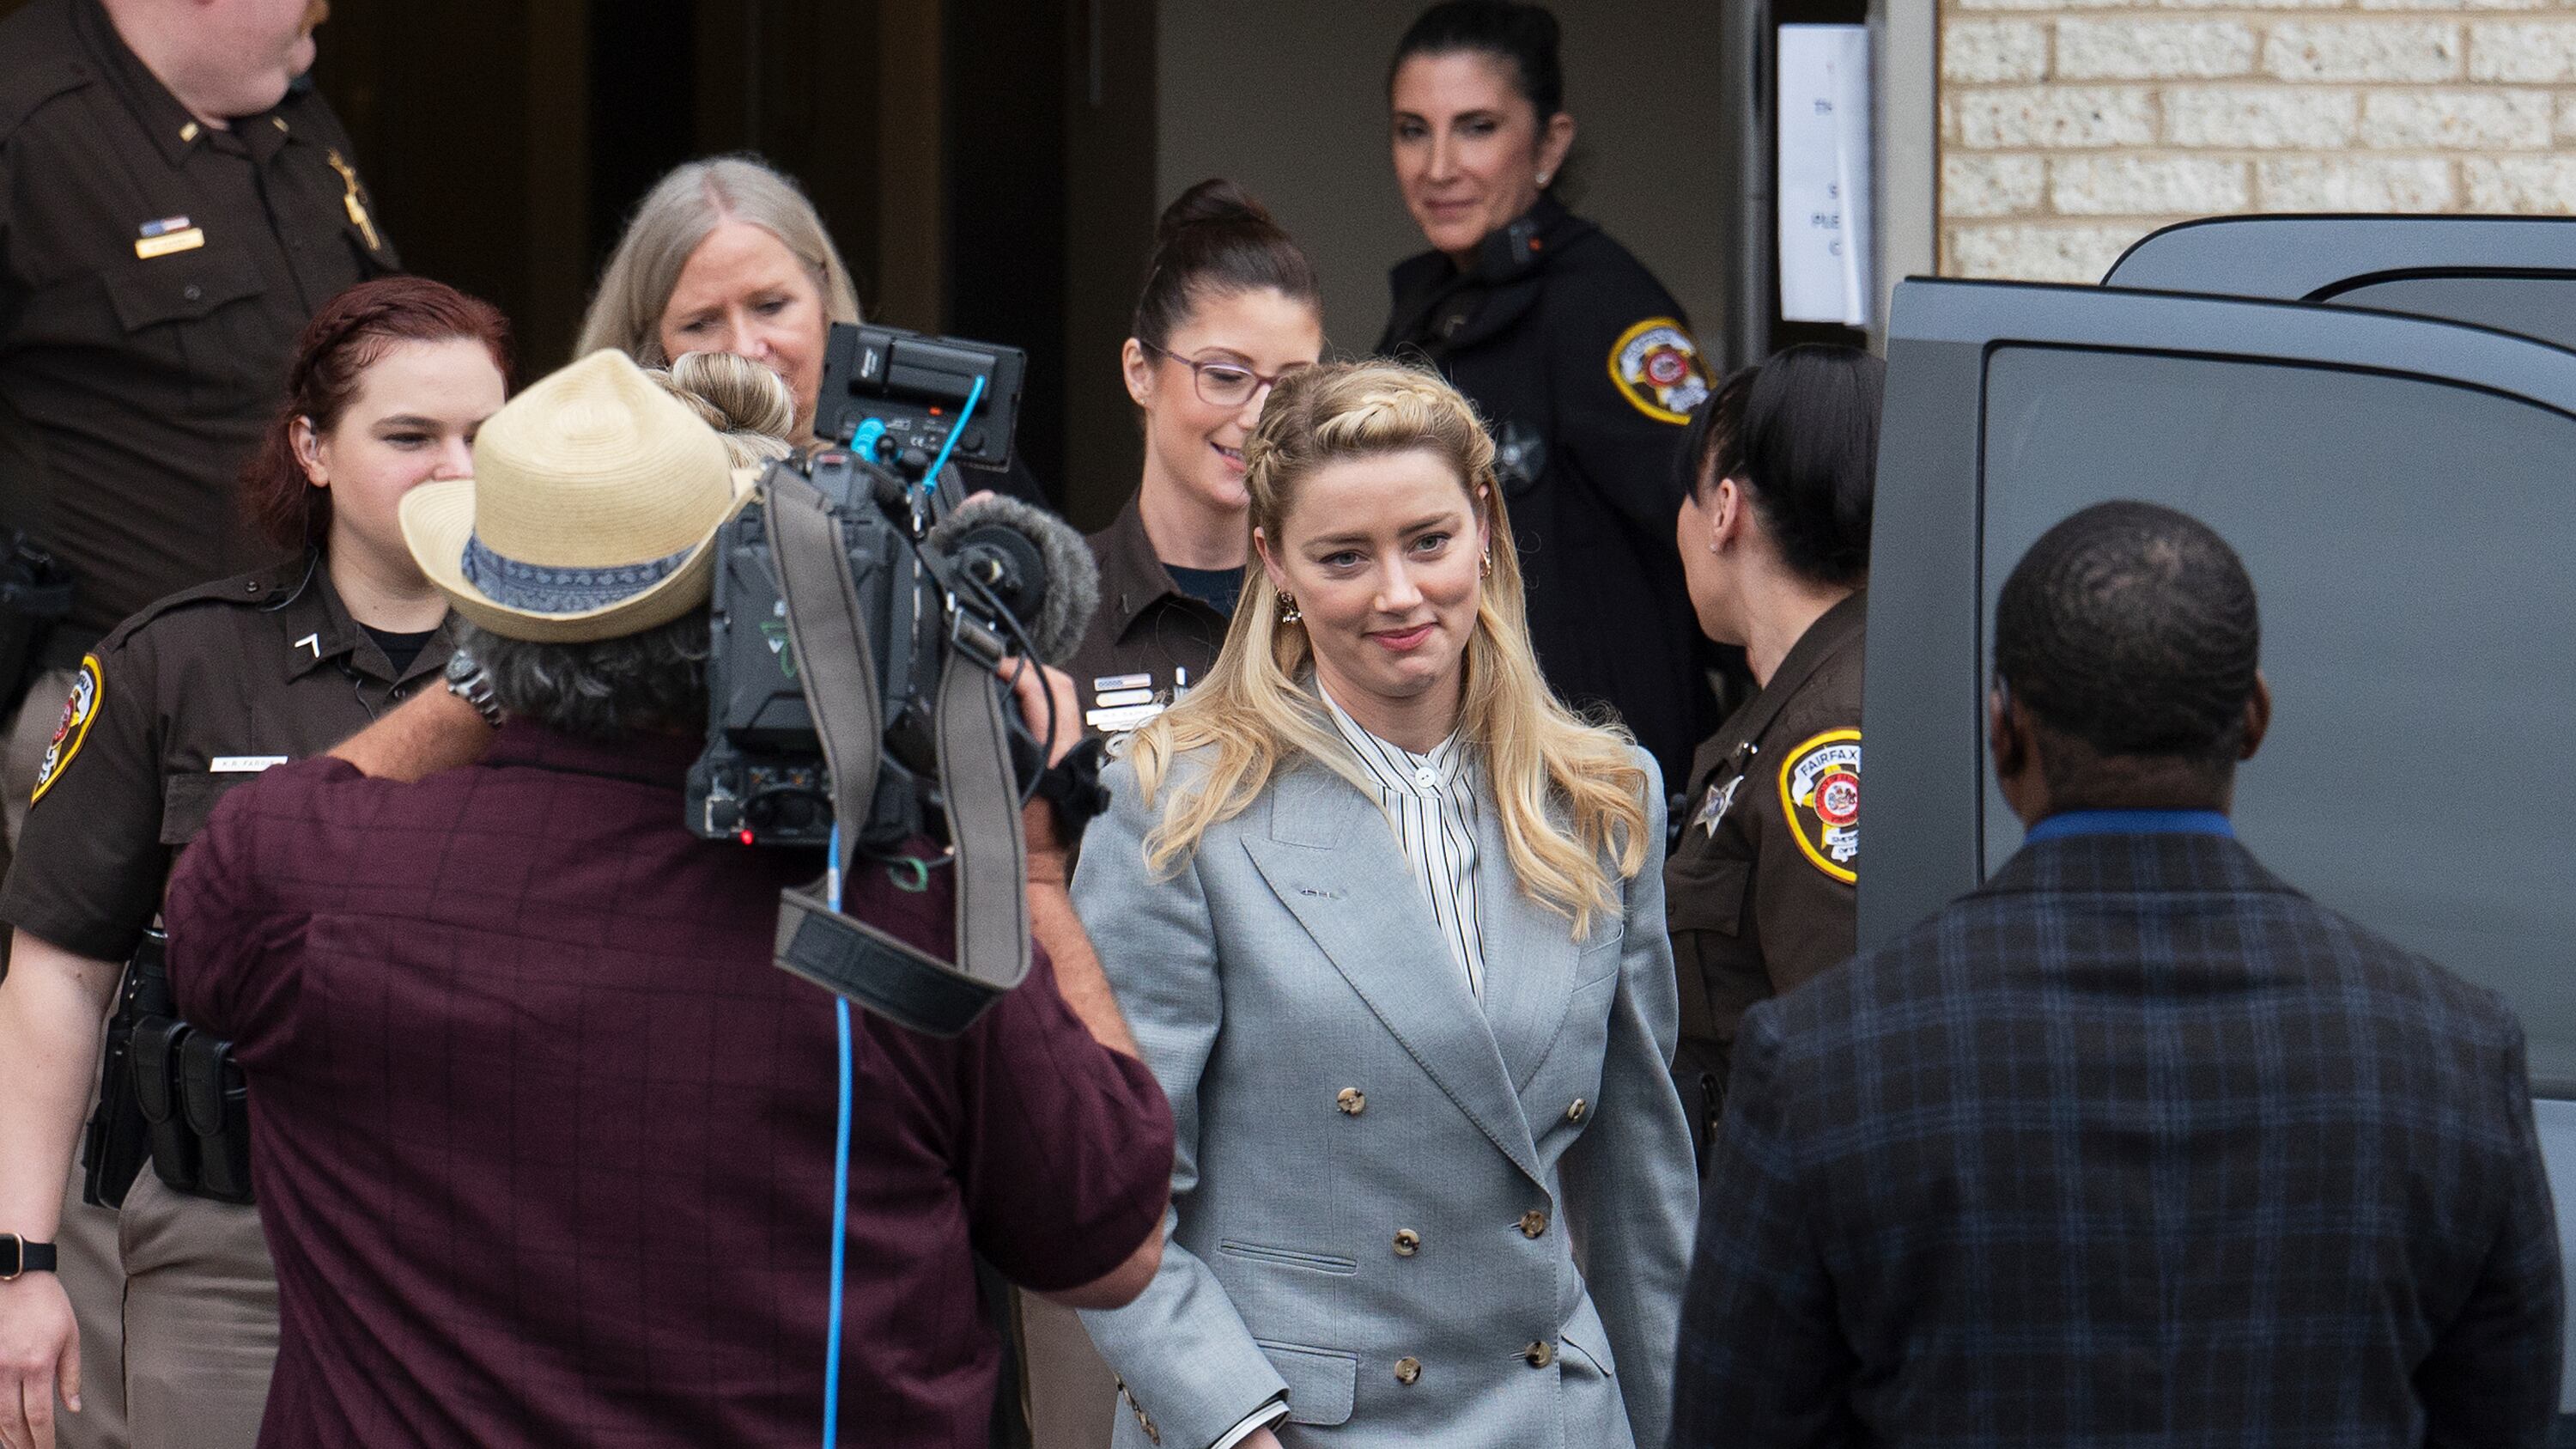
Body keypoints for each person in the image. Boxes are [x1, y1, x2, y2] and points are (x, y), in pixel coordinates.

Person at [152, 348, 1174, 1446]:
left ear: (481, 607)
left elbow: (240, 869)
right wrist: (1029, 870)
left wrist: (494, 669)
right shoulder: (894, 917)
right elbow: (1113, 1245)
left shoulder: (296, 880)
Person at [1671, 501, 2563, 1447]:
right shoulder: (2454, 1059)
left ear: (2003, 733)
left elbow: (1734, 1423)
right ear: (2253, 718)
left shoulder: (1822, 1064)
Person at [1068, 361, 1697, 1449]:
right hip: (1289, 1425)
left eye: (1428, 541)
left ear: (1485, 527)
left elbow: (1640, 1190)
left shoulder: (1602, 796)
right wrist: (1233, 1425)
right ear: (1274, 562)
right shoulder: (1176, 805)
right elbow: (1110, 1194)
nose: (1397, 594)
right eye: (1344, 557)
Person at [0, 277, 500, 1449]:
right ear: (312, 448)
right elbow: (58, 974)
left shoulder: (573, 669)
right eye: (411, 436)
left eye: (485, 436)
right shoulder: (176, 664)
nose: (456, 469)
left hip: (492, 1242)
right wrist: (21, 1262)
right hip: (232, 1251)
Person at [0, 0, 398, 886]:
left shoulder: (290, 107)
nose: (325, 8)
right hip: (125, 724)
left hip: (347, 698)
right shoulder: (23, 123)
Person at [1376, 0, 1721, 790]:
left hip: (1596, 774)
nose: (1438, 167)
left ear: (1550, 143)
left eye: (1477, 128)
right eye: (1413, 130)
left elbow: (1720, 531)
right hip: (1478, 763)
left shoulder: (1607, 308)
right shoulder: (1429, 306)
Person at [1659, 345, 1878, 1156]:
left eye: (1685, 498)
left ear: (1724, 509)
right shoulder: (1815, 692)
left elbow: (1844, 1056)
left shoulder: (1827, 734)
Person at [574, 155, 1049, 508]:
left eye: (770, 306)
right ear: (652, 347)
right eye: (700, 323)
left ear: (823, 296)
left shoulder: (946, 458)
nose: (744, 349)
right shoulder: (600, 500)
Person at [1061, 179, 1323, 739]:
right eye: (1226, 376)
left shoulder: (1338, 600)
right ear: (1141, 372)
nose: (1259, 415)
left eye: (1291, 385)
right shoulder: (1055, 606)